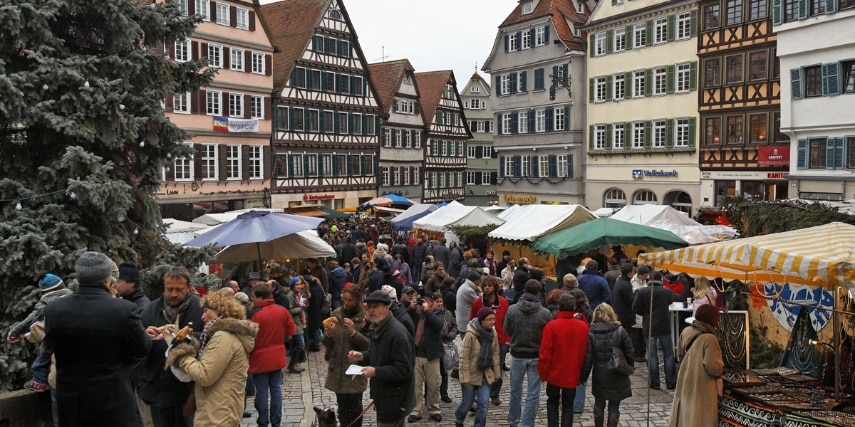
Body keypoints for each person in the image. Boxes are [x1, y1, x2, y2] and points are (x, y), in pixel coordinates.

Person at [44, 251, 151, 426]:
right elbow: (142, 349)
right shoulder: (123, 310)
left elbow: (53, 346)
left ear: (79, 278)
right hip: (113, 404)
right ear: (107, 279)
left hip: (72, 405)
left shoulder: (54, 310)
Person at [167, 292, 258, 427]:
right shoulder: (226, 335)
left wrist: (181, 355)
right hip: (219, 410)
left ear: (220, 311)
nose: (202, 317)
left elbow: (205, 375)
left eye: (206, 311)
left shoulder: (223, 336)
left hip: (217, 415)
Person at [140, 266, 204, 427]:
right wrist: (145, 335)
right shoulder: (151, 309)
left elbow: (210, 339)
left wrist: (187, 337)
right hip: (159, 390)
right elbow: (138, 346)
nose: (173, 294)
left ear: (189, 288)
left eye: (178, 289)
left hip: (189, 390)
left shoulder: (201, 309)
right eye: (169, 289)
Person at [347, 291, 415, 427]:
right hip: (384, 396)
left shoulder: (397, 333)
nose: (371, 310)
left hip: (395, 399)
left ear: (387, 307)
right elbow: (375, 354)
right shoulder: (377, 327)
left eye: (376, 306)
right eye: (369, 306)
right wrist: (361, 356)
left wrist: (375, 372)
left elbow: (404, 369)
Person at [7, 272, 72, 392]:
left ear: (44, 292)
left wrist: (14, 332)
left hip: (53, 340)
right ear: (62, 285)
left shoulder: (45, 305)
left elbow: (29, 321)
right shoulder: (73, 297)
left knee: (42, 358)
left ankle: (39, 382)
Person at [504, 279, 553, 427]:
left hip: (518, 354)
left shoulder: (512, 310)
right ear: (538, 293)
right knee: (533, 393)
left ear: (524, 290)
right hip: (536, 355)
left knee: (515, 390)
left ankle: (513, 420)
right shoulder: (545, 313)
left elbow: (507, 330)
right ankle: (527, 423)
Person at [248, 283, 296, 427]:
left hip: (259, 357)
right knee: (276, 389)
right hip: (277, 355)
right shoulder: (282, 310)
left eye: (253, 297)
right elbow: (291, 330)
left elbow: (248, 337)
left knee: (261, 391)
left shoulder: (254, 314)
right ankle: (276, 421)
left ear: (259, 296)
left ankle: (263, 422)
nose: (252, 300)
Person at [669, 304, 724, 427]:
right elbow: (713, 367)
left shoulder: (687, 330)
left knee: (686, 413)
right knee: (700, 416)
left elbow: (680, 356)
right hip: (702, 385)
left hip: (686, 378)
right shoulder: (710, 338)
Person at [539, 294, 589, 427]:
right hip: (572, 372)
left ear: (559, 307)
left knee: (552, 402)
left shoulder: (551, 326)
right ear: (573, 307)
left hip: (554, 373)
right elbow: (585, 352)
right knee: (568, 405)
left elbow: (545, 353)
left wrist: (543, 373)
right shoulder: (582, 326)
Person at [323, 286, 370, 427]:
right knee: (342, 408)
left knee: (355, 408)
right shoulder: (336, 314)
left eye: (350, 300)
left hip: (355, 371)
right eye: (345, 299)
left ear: (358, 300)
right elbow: (325, 342)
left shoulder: (365, 317)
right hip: (338, 368)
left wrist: (353, 332)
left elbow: (369, 346)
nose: (346, 303)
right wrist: (329, 335)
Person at [581, 303, 634, 427]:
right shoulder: (620, 331)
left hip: (600, 373)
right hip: (617, 371)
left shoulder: (591, 333)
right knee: (614, 406)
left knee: (599, 403)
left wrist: (583, 376)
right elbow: (630, 352)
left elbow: (588, 358)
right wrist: (629, 367)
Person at [454, 307, 500, 427]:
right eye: (489, 319)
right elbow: (463, 357)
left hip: (485, 373)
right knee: (467, 403)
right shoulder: (470, 335)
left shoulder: (493, 333)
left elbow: (495, 354)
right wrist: (464, 378)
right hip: (471, 374)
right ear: (482, 321)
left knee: (483, 403)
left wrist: (496, 374)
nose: (492, 322)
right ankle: (459, 419)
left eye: (494, 319)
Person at [632, 272, 677, 390]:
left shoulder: (642, 292)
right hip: (664, 325)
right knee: (668, 354)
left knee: (652, 355)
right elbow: (671, 302)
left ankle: (655, 382)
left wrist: (646, 314)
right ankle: (671, 382)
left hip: (649, 325)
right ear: (661, 279)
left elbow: (635, 307)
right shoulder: (666, 292)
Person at [469, 275, 510, 403]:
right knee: (481, 367)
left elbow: (507, 322)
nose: (487, 288)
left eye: (489, 285)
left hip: (500, 340)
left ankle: (494, 394)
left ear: (495, 287)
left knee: (497, 367)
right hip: (482, 340)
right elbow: (472, 320)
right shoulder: (477, 302)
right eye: (485, 285)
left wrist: (507, 339)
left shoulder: (503, 302)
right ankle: (480, 394)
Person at [406, 294, 444, 423]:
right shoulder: (415, 314)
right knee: (416, 385)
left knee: (433, 384)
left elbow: (438, 326)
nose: (423, 304)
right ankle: (416, 410)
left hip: (431, 355)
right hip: (416, 355)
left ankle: (434, 409)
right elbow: (403, 321)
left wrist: (427, 312)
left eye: (426, 301)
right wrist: (411, 308)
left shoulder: (437, 312)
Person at [612, 263, 643, 363]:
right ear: (630, 273)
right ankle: (627, 357)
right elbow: (631, 301)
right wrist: (637, 292)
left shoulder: (620, 282)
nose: (634, 273)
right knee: (627, 337)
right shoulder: (625, 284)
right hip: (625, 315)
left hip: (620, 313)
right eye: (633, 272)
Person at [433, 292, 458, 403]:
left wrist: (451, 335)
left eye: (440, 301)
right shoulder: (430, 314)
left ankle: (444, 393)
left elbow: (455, 325)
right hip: (434, 346)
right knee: (433, 373)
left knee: (444, 372)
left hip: (446, 346)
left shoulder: (447, 313)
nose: (439, 304)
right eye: (437, 301)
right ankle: (429, 395)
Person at [285, 277, 307, 373]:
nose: (299, 286)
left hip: (300, 322)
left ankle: (294, 364)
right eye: (296, 284)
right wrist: (300, 308)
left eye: (299, 284)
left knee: (298, 345)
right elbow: (289, 310)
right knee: (300, 345)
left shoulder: (299, 295)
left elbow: (304, 305)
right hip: (294, 323)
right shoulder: (290, 296)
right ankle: (291, 365)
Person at [456, 271, 482, 337]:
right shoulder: (468, 290)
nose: (479, 283)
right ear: (476, 281)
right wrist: (481, 291)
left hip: (462, 323)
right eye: (479, 281)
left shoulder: (464, 286)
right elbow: (480, 302)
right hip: (466, 325)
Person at [305, 275, 325, 352]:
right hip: (319, 309)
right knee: (316, 327)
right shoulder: (318, 286)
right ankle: (316, 342)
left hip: (313, 310)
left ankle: (316, 344)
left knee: (315, 328)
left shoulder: (311, 289)